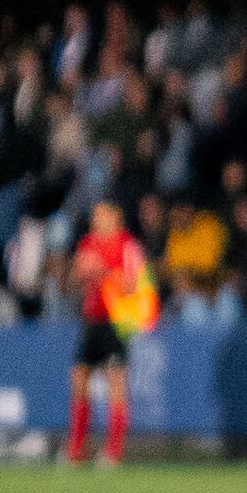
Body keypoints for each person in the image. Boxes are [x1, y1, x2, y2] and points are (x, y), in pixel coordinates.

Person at [65, 196, 155, 462]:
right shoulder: (87, 244)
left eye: (101, 214)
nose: (96, 219)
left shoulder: (128, 245)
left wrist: (103, 272)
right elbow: (72, 280)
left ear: (115, 217)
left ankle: (114, 452)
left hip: (116, 321)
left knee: (116, 381)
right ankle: (77, 449)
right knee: (80, 378)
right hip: (91, 320)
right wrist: (80, 274)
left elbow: (134, 284)